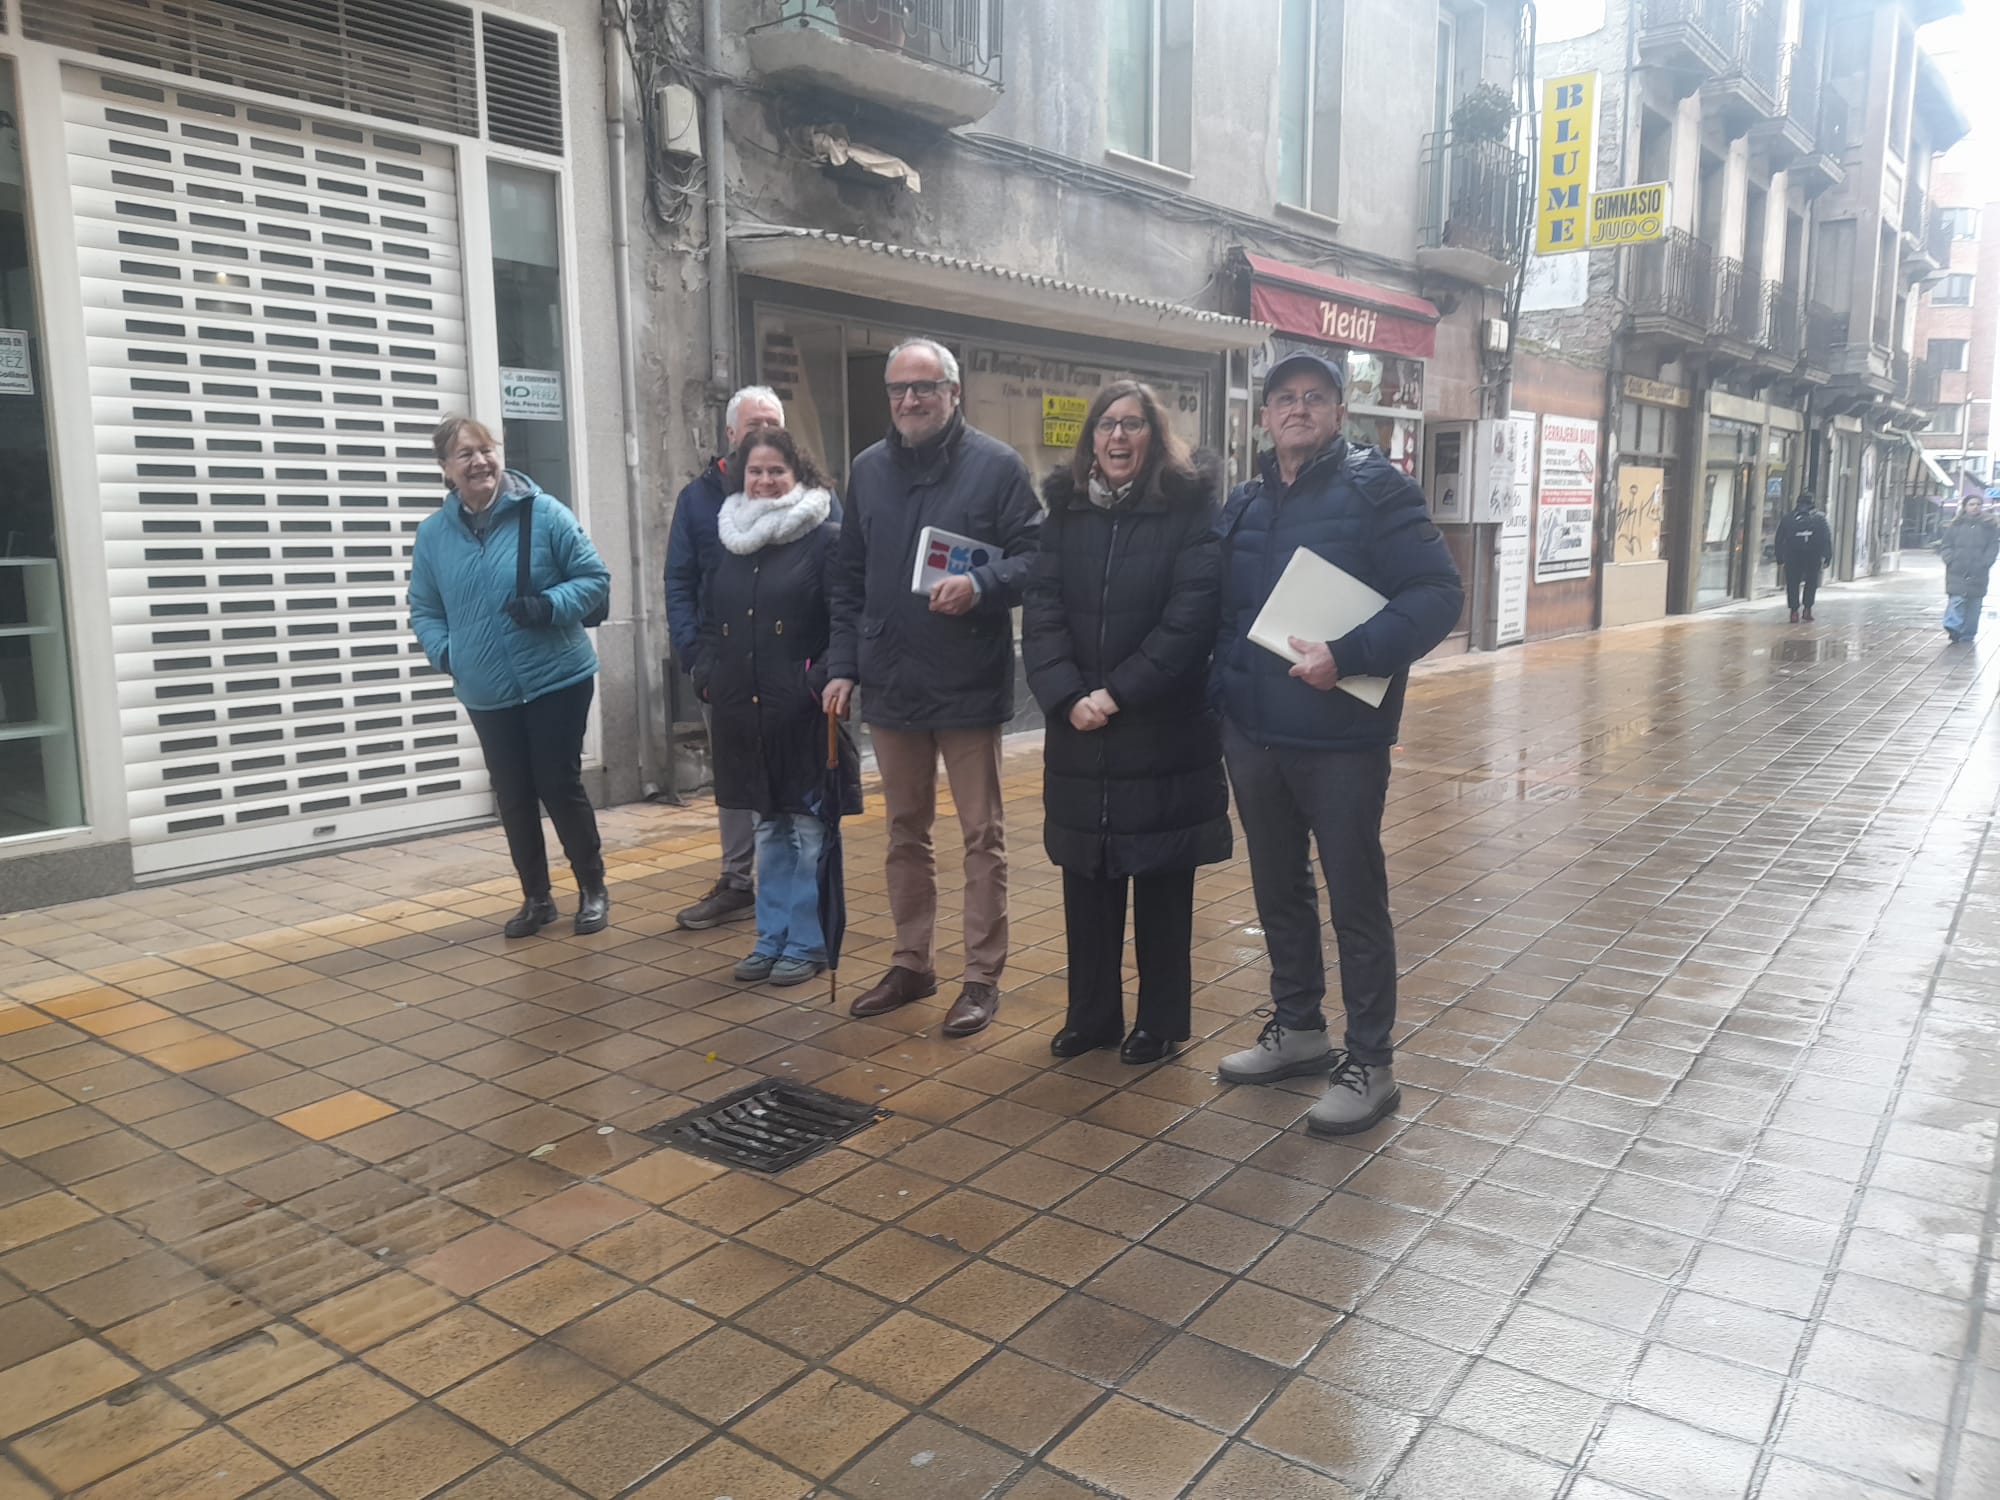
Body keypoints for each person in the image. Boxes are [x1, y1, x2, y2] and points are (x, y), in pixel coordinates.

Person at [1211, 352, 1464, 1135]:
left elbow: (1437, 596)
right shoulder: (1247, 503)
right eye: (1282, 398)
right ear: (1263, 417)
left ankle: (1371, 1061)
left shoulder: (1377, 489)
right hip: (1254, 734)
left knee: (1356, 896)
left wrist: (1348, 654)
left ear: (1338, 412)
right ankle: (1299, 1029)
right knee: (1277, 886)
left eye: (1313, 398)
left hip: (1342, 739)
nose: (1297, 409)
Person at [823, 338, 1043, 1038]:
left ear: (955, 393)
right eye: (898, 390)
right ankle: (911, 962)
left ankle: (981, 977)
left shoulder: (998, 468)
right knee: (902, 832)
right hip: (890, 678)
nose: (910, 401)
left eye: (924, 387)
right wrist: (841, 665)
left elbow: (1040, 555)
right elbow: (847, 578)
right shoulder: (868, 470)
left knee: (982, 834)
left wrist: (980, 583)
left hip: (965, 678)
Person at [1022, 382, 1230, 1064]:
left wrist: (1116, 695)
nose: (1117, 438)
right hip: (1079, 732)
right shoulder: (1067, 513)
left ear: (1155, 436)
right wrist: (1065, 694)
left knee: (1163, 882)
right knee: (1087, 876)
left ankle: (1161, 1022)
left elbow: (1189, 621)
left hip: (1159, 731)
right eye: (1106, 426)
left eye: (1132, 426)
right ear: (1090, 440)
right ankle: (1093, 1017)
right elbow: (1043, 613)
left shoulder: (1187, 511)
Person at [410, 417, 614, 938]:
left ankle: (592, 889)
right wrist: (448, 654)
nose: (479, 462)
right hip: (486, 687)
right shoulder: (433, 536)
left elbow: (594, 579)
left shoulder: (542, 513)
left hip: (556, 678)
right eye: (465, 455)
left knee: (557, 782)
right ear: (445, 470)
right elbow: (424, 607)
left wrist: (549, 605)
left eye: (485, 450)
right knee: (513, 793)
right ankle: (537, 898)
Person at [691, 427, 860, 986]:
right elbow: (710, 617)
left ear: (800, 476)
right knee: (767, 827)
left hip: (804, 710)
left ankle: (808, 943)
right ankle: (770, 937)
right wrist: (709, 672)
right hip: (745, 708)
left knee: (809, 828)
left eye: (776, 471)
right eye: (755, 472)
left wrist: (826, 679)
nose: (764, 482)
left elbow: (843, 618)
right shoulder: (730, 540)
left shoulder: (826, 538)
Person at [665, 386, 784, 933]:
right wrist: (695, 656)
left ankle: (786, 891)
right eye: (753, 424)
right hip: (724, 666)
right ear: (731, 434)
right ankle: (737, 882)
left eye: (773, 423)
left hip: (788, 667)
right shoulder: (698, 499)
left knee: (786, 780)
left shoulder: (808, 496)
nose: (763, 432)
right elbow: (679, 581)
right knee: (733, 779)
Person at [1940, 492, 1999, 643]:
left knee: (1974, 604)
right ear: (1965, 507)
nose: (1975, 507)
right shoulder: (1955, 525)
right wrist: (1950, 559)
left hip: (1979, 570)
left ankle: (1968, 633)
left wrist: (1986, 561)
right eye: (1971, 504)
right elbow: (1946, 544)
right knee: (1957, 599)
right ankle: (1953, 627)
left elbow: (1993, 546)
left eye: (1978, 504)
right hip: (1957, 569)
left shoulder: (1989, 526)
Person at [1777, 493, 1833, 623]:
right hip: (1813, 556)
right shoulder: (1820, 518)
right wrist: (1827, 556)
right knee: (1811, 583)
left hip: (1792, 555)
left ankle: (1794, 612)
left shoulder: (1788, 518)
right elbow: (1826, 538)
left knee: (1792, 583)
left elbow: (1779, 538)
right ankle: (1807, 609)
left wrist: (1780, 557)